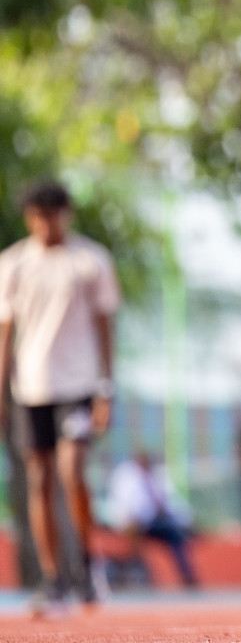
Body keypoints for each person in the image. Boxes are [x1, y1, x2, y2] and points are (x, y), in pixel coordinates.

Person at [0, 179, 119, 614]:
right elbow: (5, 332)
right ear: (29, 217)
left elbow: (106, 326)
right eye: (38, 215)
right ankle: (53, 579)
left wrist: (106, 387)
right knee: (39, 478)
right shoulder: (12, 265)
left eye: (54, 213)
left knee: (72, 469)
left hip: (79, 385)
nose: (47, 223)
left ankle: (87, 564)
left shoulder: (91, 261)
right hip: (31, 388)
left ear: (67, 213)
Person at [107, 452, 199, 589]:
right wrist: (129, 520)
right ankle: (134, 574)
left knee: (175, 536)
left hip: (154, 523)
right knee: (134, 540)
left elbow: (169, 504)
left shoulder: (156, 478)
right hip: (133, 524)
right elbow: (123, 504)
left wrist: (185, 520)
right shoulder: (126, 477)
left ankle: (187, 576)